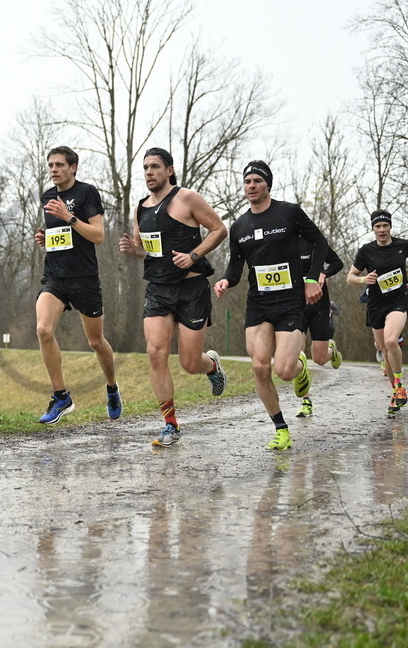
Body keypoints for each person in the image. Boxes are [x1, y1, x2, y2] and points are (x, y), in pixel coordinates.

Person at [213, 160, 330, 451]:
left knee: (285, 371)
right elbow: (235, 266)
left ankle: (299, 367)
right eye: (247, 182)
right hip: (259, 303)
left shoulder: (288, 212)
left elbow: (320, 243)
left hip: (291, 302)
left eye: (256, 181)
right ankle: (280, 428)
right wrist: (225, 281)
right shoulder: (239, 226)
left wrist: (313, 278)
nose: (251, 186)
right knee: (259, 366)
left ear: (268, 185)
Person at [118, 147, 228, 447]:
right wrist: (133, 251)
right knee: (155, 353)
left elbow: (219, 229)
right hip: (158, 289)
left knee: (189, 363)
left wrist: (194, 255)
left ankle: (212, 367)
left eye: (155, 167)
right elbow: (145, 249)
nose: (149, 173)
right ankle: (170, 424)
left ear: (169, 170)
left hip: (191, 289)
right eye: (145, 168)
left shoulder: (187, 198)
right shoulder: (140, 207)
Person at [33, 146, 121, 424]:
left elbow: (98, 235)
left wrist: (69, 217)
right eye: (50, 165)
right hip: (55, 276)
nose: (54, 170)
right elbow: (61, 235)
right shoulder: (47, 196)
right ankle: (61, 397)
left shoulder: (87, 193)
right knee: (43, 329)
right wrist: (46, 238)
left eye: (59, 164)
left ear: (73, 167)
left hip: (84, 278)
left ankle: (112, 388)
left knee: (96, 341)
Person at [346, 210, 408, 414]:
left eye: (385, 226)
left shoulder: (403, 246)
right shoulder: (366, 251)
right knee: (383, 349)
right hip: (376, 304)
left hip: (398, 302)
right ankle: (396, 391)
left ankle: (399, 384)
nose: (382, 230)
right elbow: (350, 277)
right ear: (373, 229)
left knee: (391, 341)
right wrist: (364, 280)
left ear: (390, 227)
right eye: (378, 226)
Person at [294, 240, 345, 418]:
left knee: (320, 359)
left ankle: (331, 349)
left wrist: (324, 273)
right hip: (294, 307)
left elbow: (338, 262)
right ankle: (306, 401)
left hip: (319, 305)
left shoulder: (313, 242)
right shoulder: (281, 243)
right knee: (296, 354)